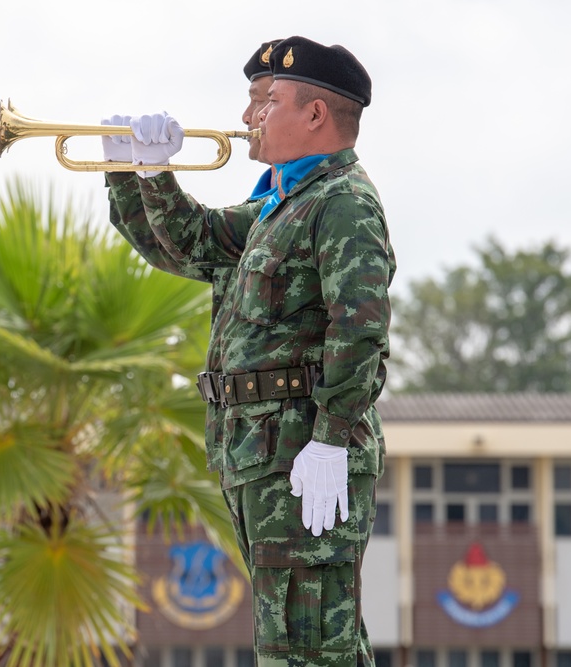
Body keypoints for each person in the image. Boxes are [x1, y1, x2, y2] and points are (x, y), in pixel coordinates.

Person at [125, 36, 395, 667]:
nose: (249, 117)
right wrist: (137, 172)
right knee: (309, 645)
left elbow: (359, 332)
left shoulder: (342, 203)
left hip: (305, 450)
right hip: (263, 451)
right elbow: (191, 245)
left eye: (267, 102)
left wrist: (331, 438)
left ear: (315, 115)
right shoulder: (279, 204)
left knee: (305, 649)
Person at [100, 40, 279, 512]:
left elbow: (190, 238)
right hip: (251, 445)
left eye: (263, 99)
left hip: (284, 443)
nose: (246, 116)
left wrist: (154, 169)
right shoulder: (266, 206)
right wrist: (124, 172)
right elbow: (170, 253)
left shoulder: (301, 205)